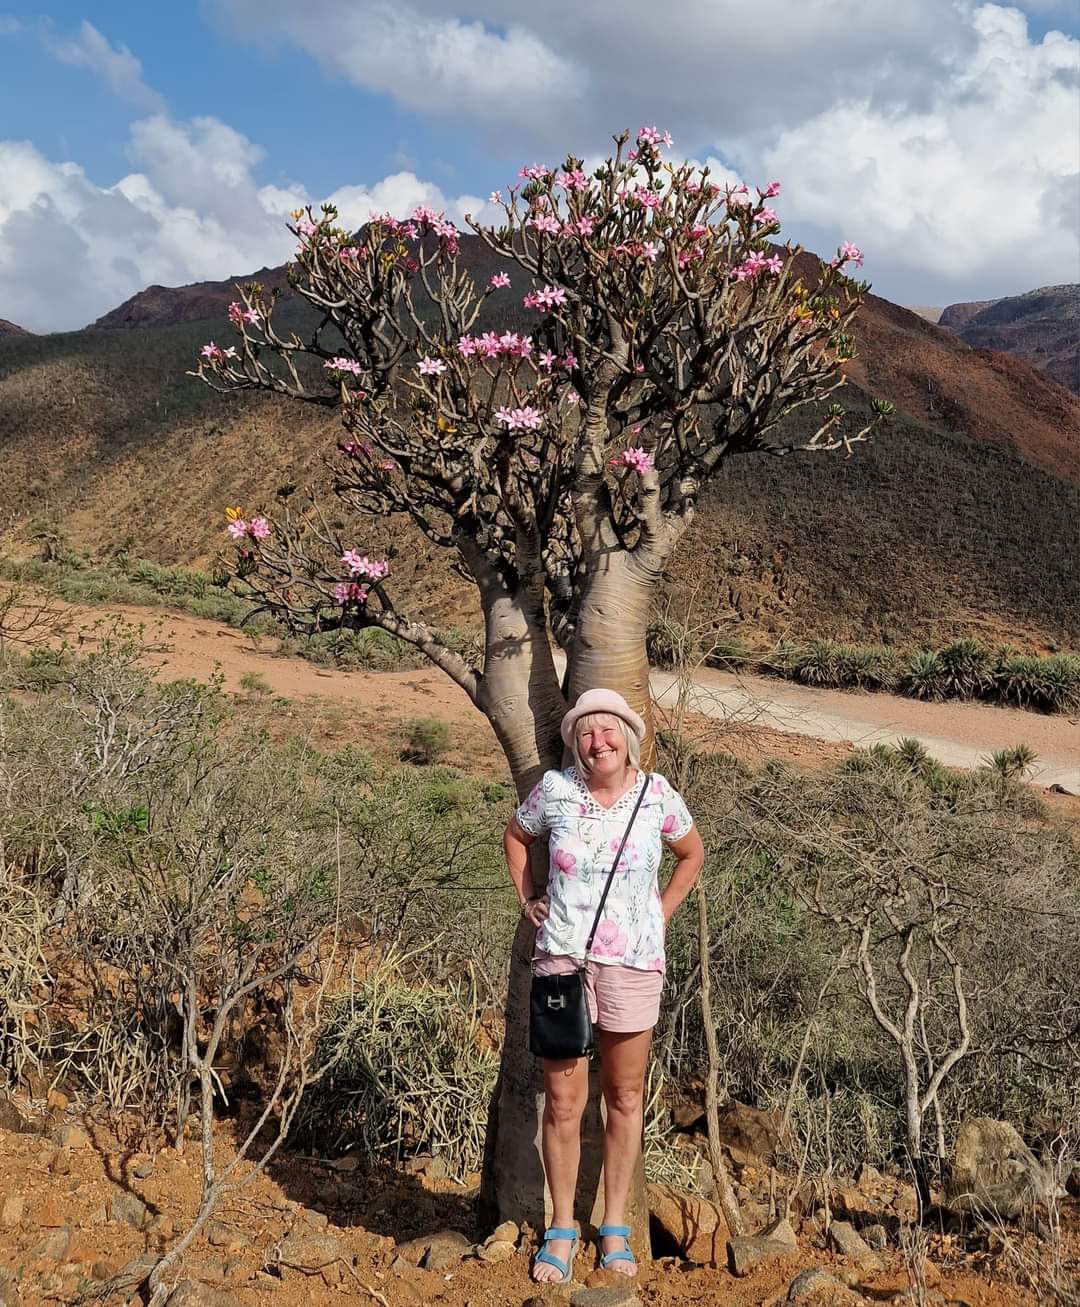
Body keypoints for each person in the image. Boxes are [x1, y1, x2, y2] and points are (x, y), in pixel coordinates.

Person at [503, 688, 705, 1283]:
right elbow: (517, 838)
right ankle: (563, 1228)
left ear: (628, 736)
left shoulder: (657, 795)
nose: (599, 742)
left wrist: (660, 912)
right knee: (563, 1103)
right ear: (574, 743)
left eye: (609, 730)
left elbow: (691, 854)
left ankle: (613, 1225)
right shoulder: (555, 792)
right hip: (562, 962)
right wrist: (528, 899)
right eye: (586, 733)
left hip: (634, 963)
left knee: (624, 1098)